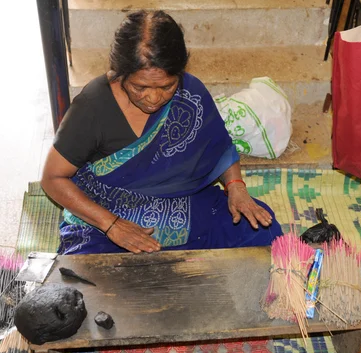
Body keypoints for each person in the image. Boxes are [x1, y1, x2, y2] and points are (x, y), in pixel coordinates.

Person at [41, 10, 283, 255]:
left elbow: (219, 149)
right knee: (90, 272)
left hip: (182, 203)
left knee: (263, 231)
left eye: (167, 86)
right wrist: (112, 226)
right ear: (120, 72)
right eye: (140, 87)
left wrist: (236, 187)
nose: (154, 98)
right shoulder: (92, 106)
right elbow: (53, 179)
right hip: (111, 209)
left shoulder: (191, 93)